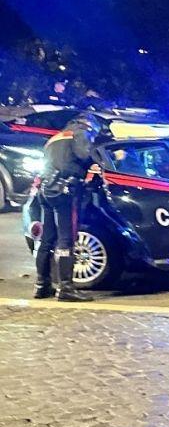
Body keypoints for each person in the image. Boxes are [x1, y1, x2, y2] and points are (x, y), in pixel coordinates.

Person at [33, 113, 108, 302]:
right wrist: (105, 158)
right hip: (64, 191)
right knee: (66, 239)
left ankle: (42, 285)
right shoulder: (81, 133)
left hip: (45, 190)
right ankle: (66, 288)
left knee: (47, 239)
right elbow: (85, 155)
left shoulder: (56, 137)